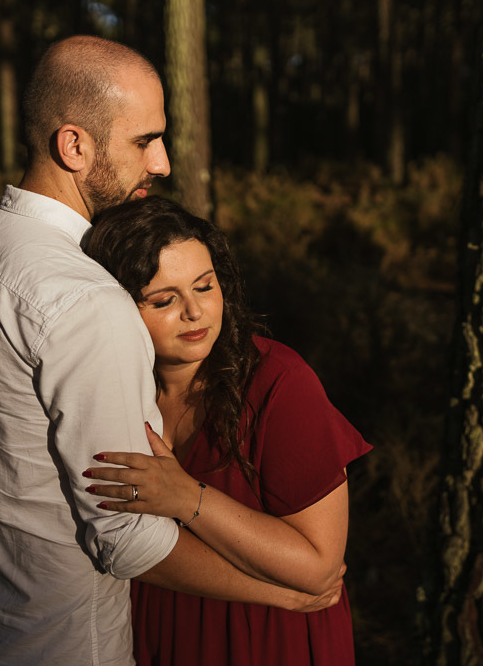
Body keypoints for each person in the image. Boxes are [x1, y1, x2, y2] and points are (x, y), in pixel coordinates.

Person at [0, 36, 341, 666]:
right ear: (75, 145)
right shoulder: (86, 299)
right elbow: (125, 538)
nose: (163, 162)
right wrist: (278, 594)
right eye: (145, 141)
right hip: (60, 646)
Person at [82, 196, 372, 666]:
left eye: (205, 286)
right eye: (164, 299)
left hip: (270, 641)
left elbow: (320, 568)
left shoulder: (278, 383)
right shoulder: (108, 392)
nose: (195, 312)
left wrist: (188, 498)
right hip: (153, 632)